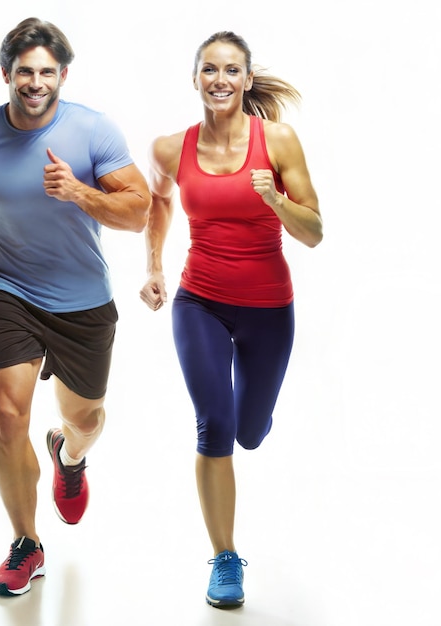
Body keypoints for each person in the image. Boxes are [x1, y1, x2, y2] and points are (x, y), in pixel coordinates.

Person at [0, 17, 150, 596]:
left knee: (86, 421)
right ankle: (26, 544)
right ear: (5, 73)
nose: (35, 82)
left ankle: (68, 457)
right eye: (24, 71)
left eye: (46, 71)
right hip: (10, 291)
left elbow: (139, 212)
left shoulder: (93, 131)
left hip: (83, 302)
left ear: (63, 75)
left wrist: (78, 191)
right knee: (6, 416)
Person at [139, 31, 322, 608]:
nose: (220, 79)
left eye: (231, 70)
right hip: (201, 302)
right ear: (195, 79)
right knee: (215, 428)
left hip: (270, 307)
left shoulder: (280, 141)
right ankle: (224, 558)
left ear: (246, 79)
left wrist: (276, 201)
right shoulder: (171, 148)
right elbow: (160, 200)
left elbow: (314, 232)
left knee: (249, 431)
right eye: (209, 70)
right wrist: (155, 268)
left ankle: (251, 423)